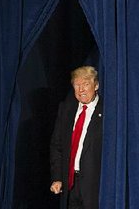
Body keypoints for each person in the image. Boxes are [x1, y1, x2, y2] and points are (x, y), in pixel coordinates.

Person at [50, 66, 103, 208]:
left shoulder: (107, 111)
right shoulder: (66, 109)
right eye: (77, 85)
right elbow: (57, 145)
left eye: (86, 84)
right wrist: (57, 178)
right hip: (70, 184)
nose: (81, 90)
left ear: (96, 85)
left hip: (95, 187)